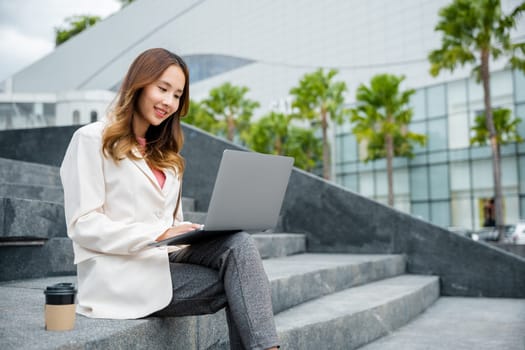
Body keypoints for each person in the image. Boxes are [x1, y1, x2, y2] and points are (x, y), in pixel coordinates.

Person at [60, 48, 280, 350]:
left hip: (161, 258)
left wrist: (192, 232)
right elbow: (83, 225)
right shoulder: (91, 139)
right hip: (119, 274)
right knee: (243, 286)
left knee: (238, 243)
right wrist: (159, 233)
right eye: (162, 89)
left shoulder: (168, 157)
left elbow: (169, 225)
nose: (169, 102)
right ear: (138, 83)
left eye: (177, 95)